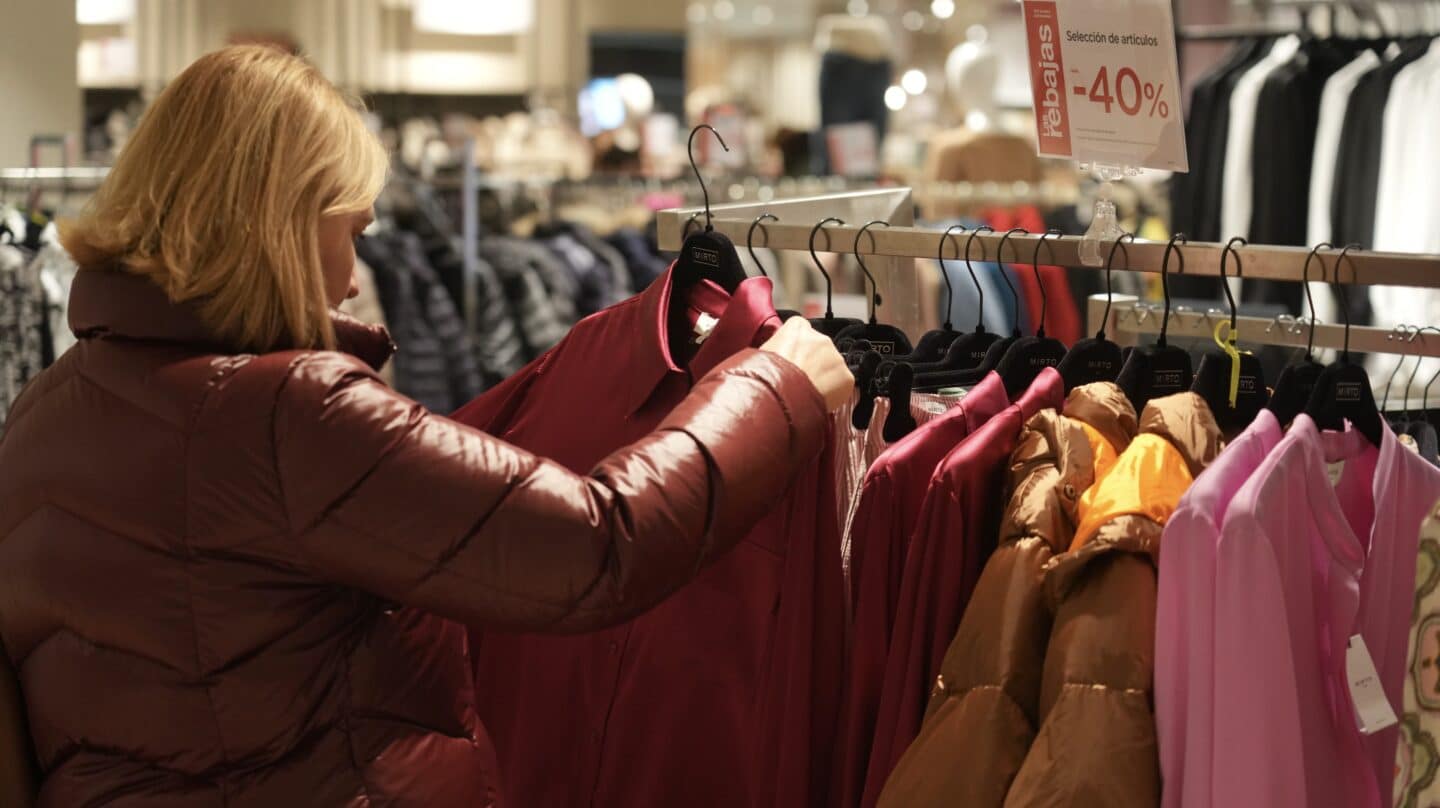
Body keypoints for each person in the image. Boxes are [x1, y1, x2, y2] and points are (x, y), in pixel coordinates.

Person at [0, 45, 851, 807]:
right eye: (349, 231)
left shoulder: (47, 412)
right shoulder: (288, 414)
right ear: (283, 226)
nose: (351, 278)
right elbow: (596, 546)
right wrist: (777, 387)